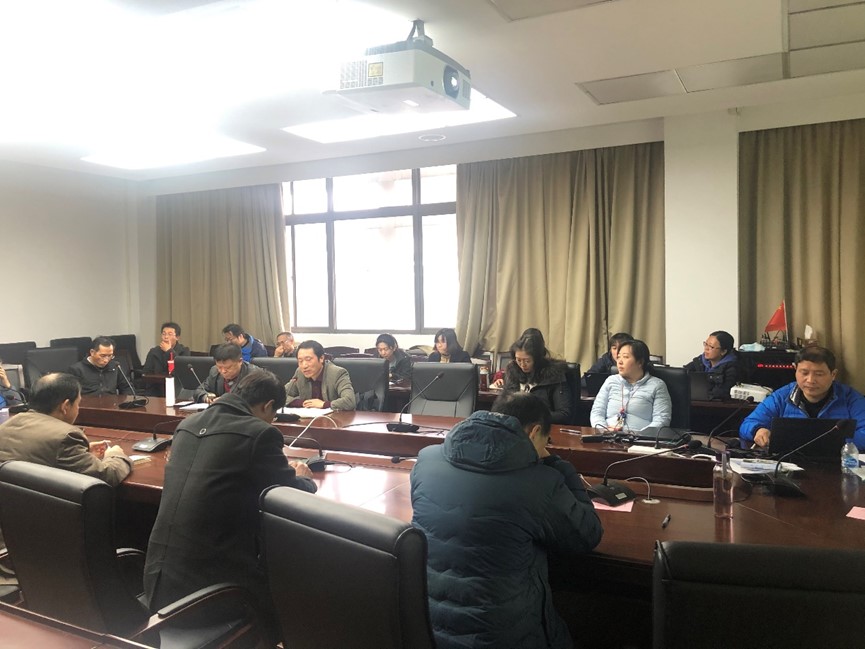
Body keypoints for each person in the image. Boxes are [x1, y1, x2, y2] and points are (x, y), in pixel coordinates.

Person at [410, 392, 603, 649]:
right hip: (503, 636)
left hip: (426, 626)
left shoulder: (426, 459)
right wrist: (560, 466)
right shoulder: (541, 482)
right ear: (535, 432)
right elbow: (588, 534)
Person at [143, 371, 316, 642]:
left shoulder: (187, 425)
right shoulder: (260, 433)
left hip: (156, 583)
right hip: (208, 595)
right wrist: (305, 478)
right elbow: (286, 493)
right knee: (297, 585)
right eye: (274, 414)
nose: (272, 421)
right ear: (268, 405)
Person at [0, 373, 133, 566]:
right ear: (65, 406)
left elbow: (37, 452)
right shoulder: (66, 435)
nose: (78, 409)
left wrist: (82, 451)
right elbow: (106, 475)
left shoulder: (9, 424)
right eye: (78, 404)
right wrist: (116, 455)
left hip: (12, 533)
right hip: (49, 541)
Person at [740, 345, 865, 449]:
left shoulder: (851, 398)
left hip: (836, 463)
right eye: (804, 373)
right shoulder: (782, 396)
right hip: (788, 462)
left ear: (833, 374)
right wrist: (758, 430)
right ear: (795, 369)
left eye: (819, 374)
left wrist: (827, 442)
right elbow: (748, 424)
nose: (810, 380)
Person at [590, 339, 671, 431]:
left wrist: (639, 435)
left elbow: (662, 420)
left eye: (625, 357)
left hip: (641, 438)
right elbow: (597, 412)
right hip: (607, 436)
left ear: (640, 362)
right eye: (618, 357)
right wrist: (603, 430)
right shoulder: (611, 381)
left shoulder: (657, 386)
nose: (619, 362)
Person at [498, 332, 572, 424]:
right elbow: (504, 403)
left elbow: (564, 414)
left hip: (543, 427)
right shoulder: (513, 371)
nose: (522, 365)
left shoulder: (554, 374)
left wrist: (532, 418)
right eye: (518, 360)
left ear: (537, 359)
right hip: (514, 425)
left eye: (527, 361)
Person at [285, 340, 356, 410]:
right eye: (300, 361)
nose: (304, 366)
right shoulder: (300, 373)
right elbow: (281, 395)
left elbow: (349, 401)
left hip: (335, 417)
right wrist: (303, 403)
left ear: (321, 358)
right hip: (308, 416)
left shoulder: (337, 373)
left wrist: (324, 404)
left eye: (308, 359)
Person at [683, 330, 741, 400]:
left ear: (723, 351)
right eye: (706, 344)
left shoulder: (732, 368)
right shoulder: (701, 361)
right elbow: (682, 374)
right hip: (698, 401)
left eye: (711, 347)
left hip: (718, 404)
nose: (706, 349)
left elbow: (722, 392)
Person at [68, 336, 133, 396]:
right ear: (92, 352)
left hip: (111, 403)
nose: (106, 360)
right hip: (88, 403)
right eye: (103, 356)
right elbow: (72, 395)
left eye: (110, 355)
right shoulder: (77, 370)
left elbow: (127, 388)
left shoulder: (116, 366)